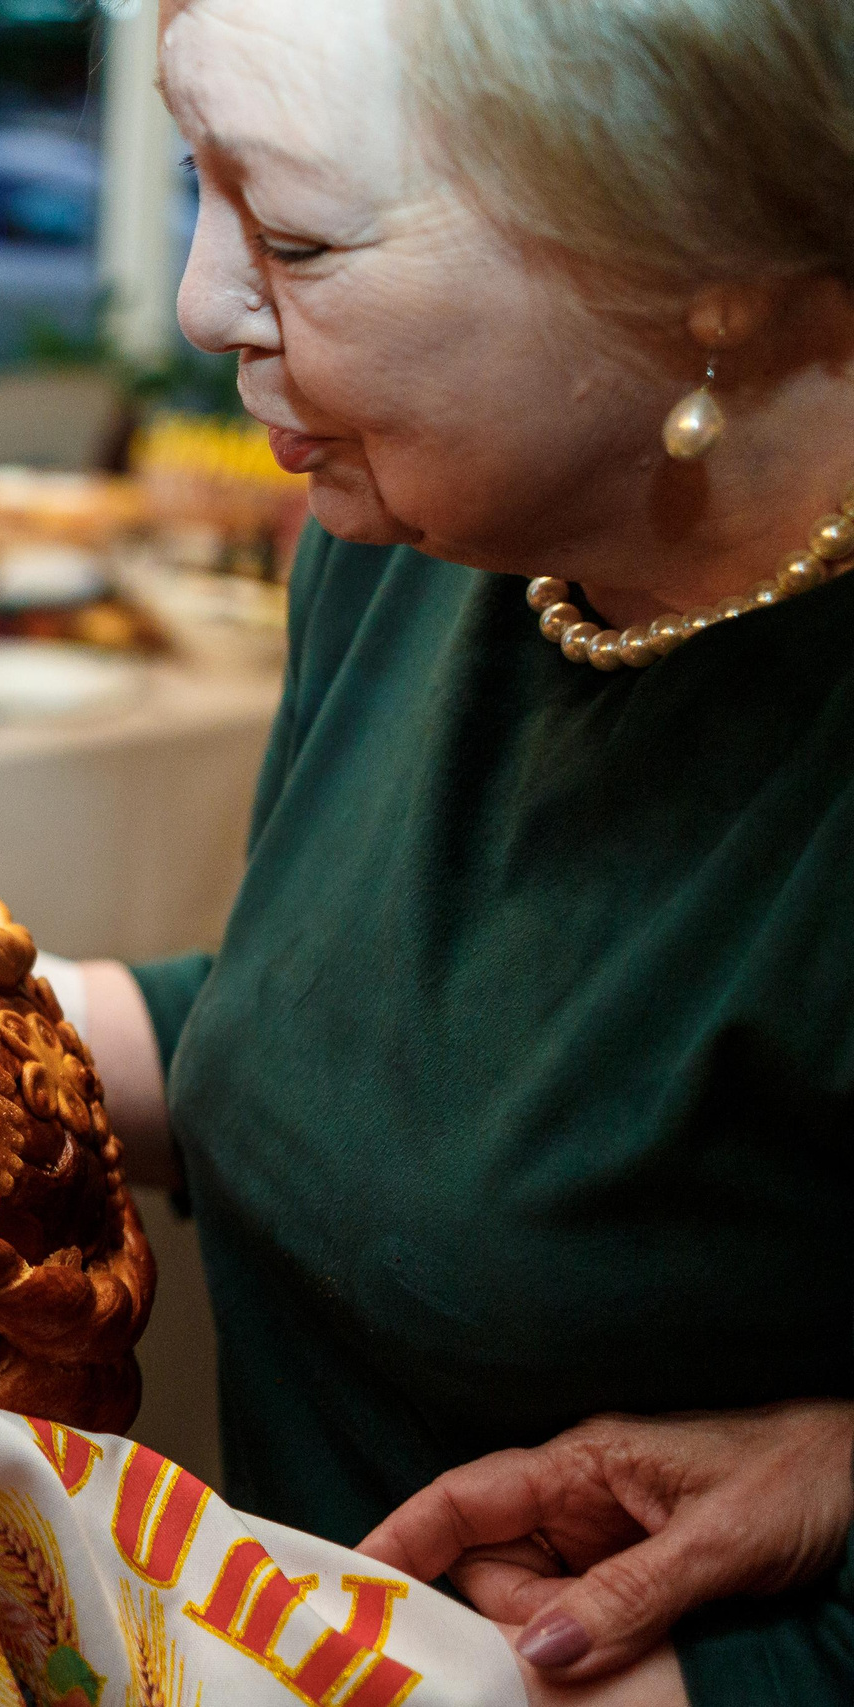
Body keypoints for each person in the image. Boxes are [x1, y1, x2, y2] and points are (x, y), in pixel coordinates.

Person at [64, 1, 854, 1702]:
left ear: (701, 259)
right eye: (192, 189)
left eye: (293, 234)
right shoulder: (418, 533)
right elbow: (362, 1026)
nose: (203, 305)